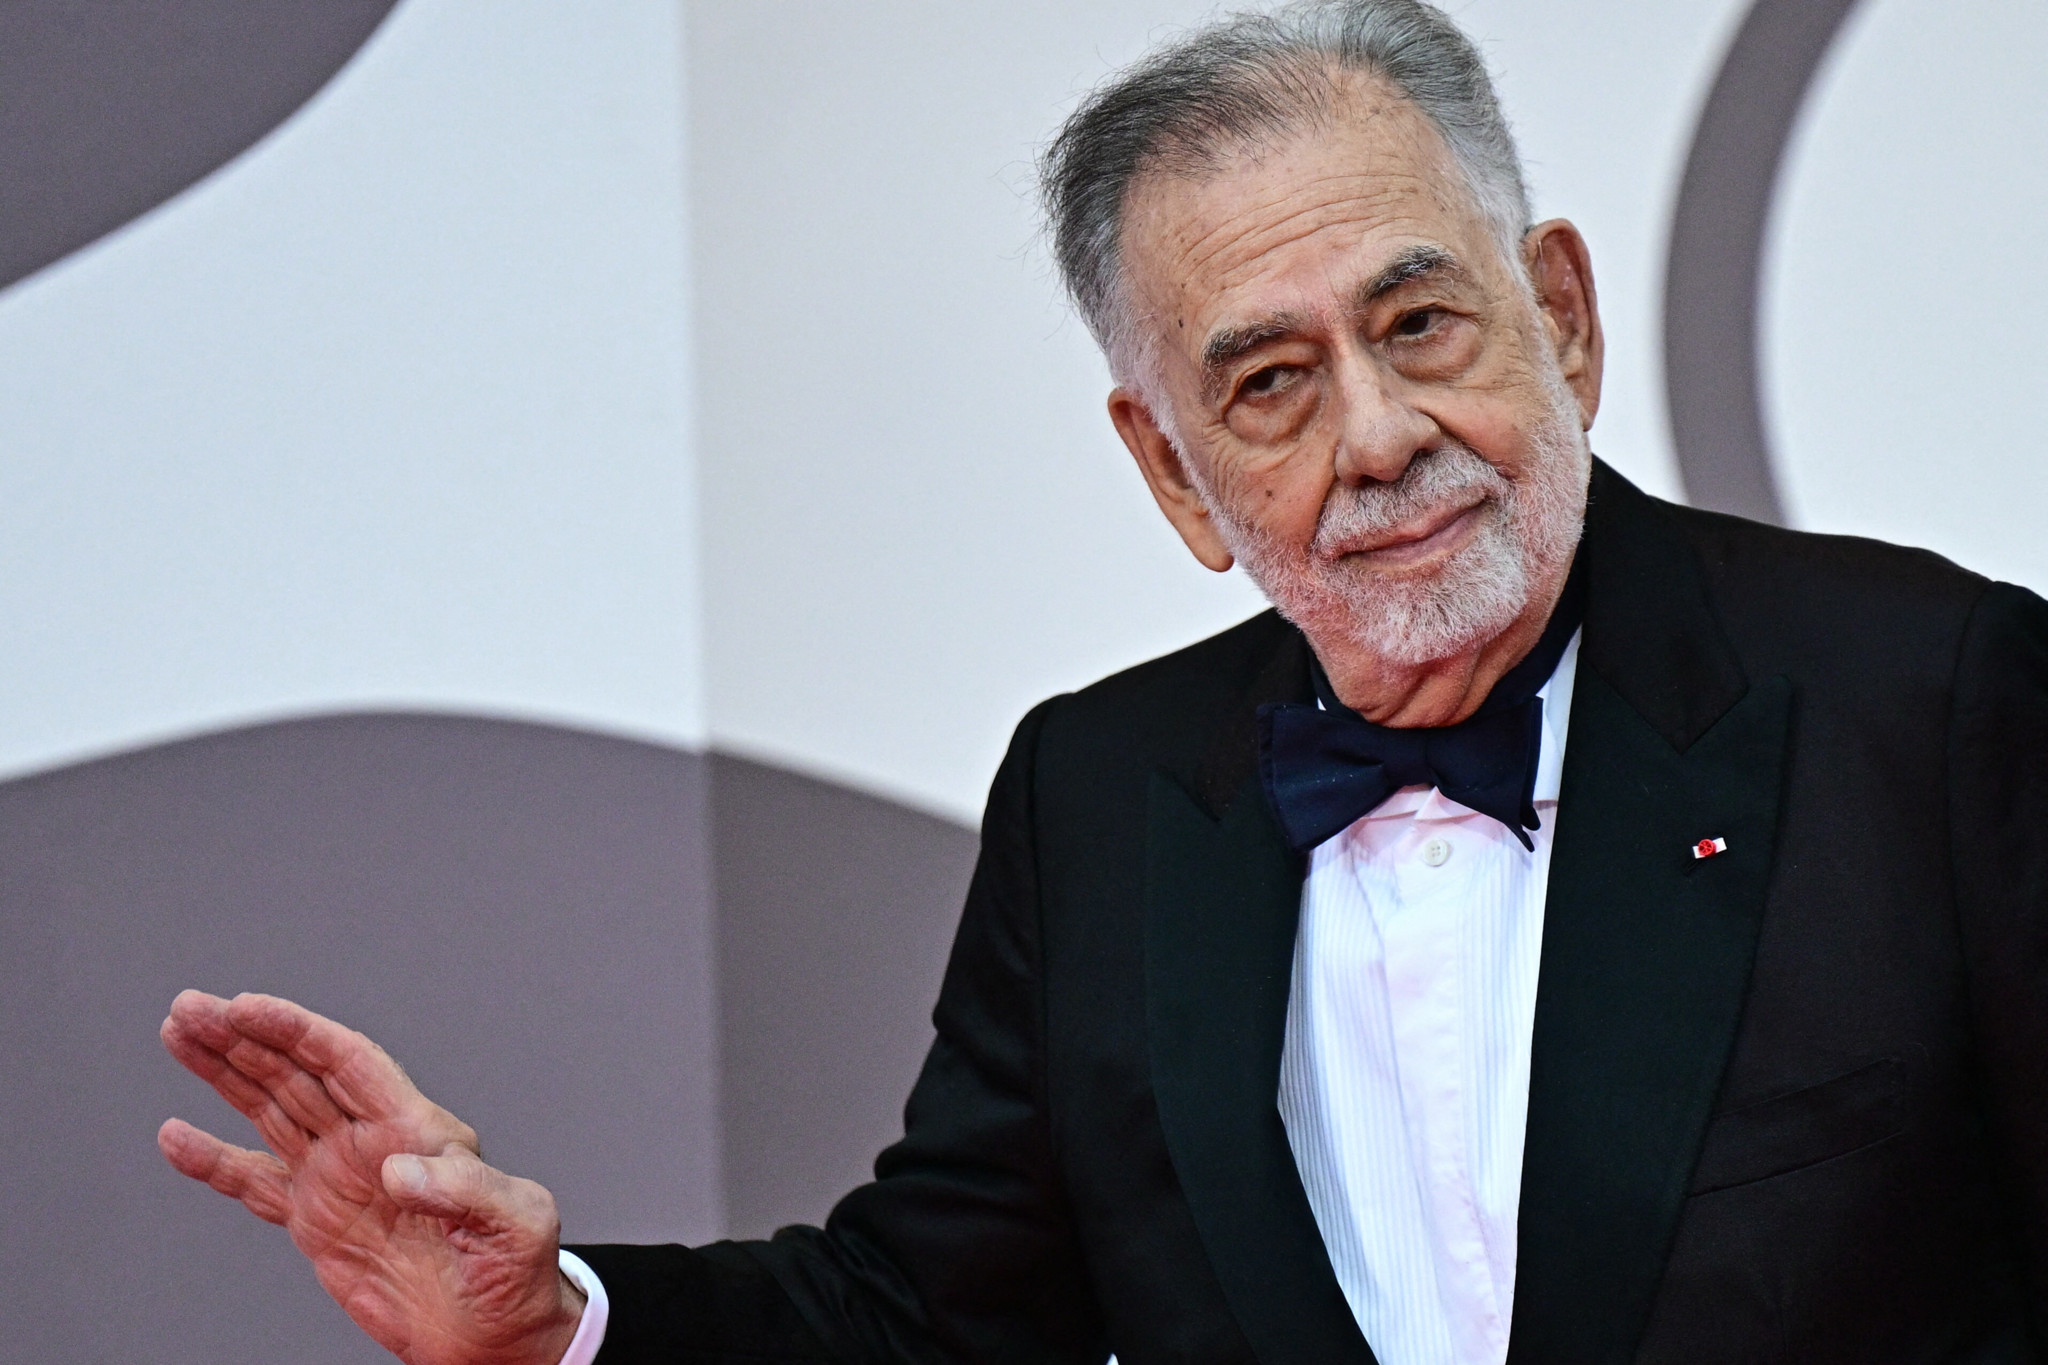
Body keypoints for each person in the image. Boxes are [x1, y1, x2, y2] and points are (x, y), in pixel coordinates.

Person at [158, 1, 2048, 1362]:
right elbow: (929, 1311)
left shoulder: (1934, 695)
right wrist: (556, 1321)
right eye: (1271, 383)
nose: (1380, 435)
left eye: (1419, 322)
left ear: (1555, 316)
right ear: (1173, 473)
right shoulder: (1104, 793)